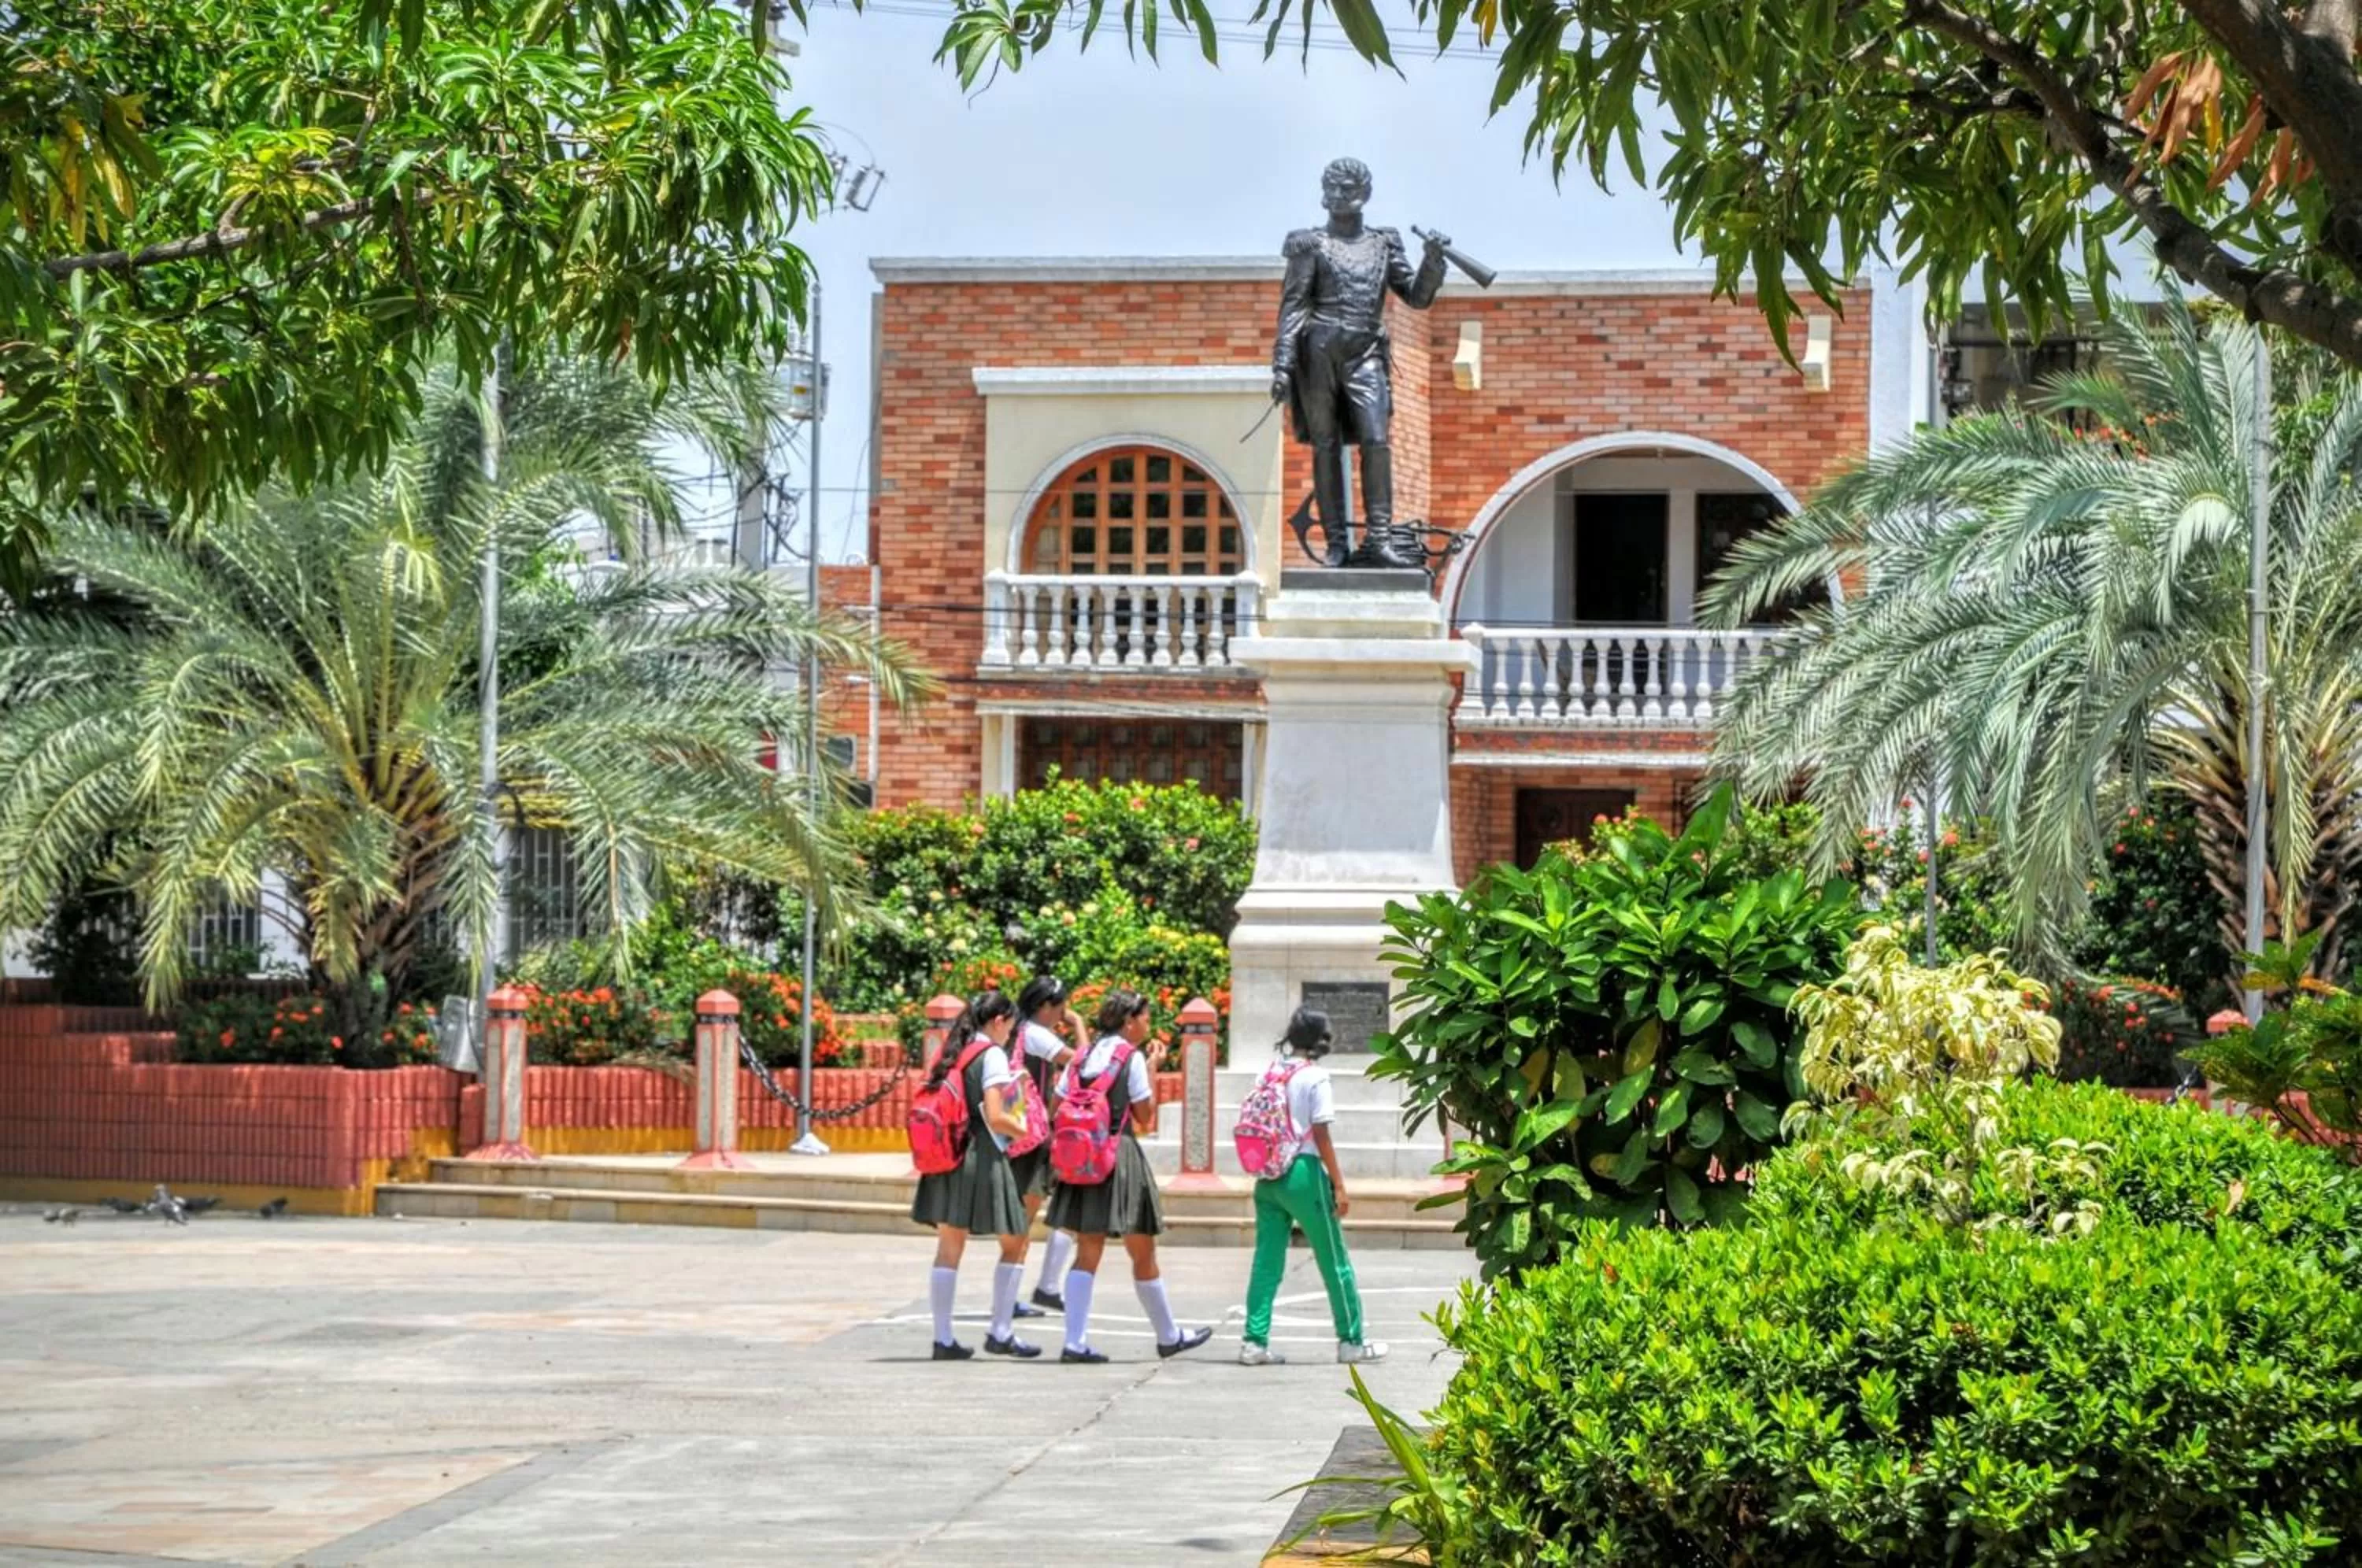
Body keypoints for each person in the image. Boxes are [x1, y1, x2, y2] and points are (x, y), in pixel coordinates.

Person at [1271, 157, 1449, 568]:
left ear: (1364, 194)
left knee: (1375, 440)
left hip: (1365, 350)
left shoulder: (1384, 243)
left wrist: (1434, 261)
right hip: (1318, 351)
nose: (1337, 196)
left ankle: (1380, 540)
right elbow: (1294, 306)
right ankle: (1336, 544)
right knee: (1326, 445)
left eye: (1346, 188)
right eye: (1330, 188)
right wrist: (1282, 364)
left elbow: (1417, 297)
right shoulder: (1308, 244)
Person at [1044, 988, 1214, 1363]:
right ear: (1129, 1020)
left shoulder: (1083, 1055)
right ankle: (1169, 1335)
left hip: (1082, 1158)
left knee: (1087, 1250)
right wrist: (1151, 1067)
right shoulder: (1130, 1057)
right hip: (1118, 1156)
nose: (1148, 1024)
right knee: (1142, 1249)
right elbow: (1143, 1115)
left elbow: (1056, 1105)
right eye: (1145, 1017)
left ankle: (1074, 1342)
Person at [1238, 1008, 1388, 1366]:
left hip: (1268, 1173)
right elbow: (1320, 1132)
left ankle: (1254, 1342)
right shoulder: (1315, 1077)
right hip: (1303, 1172)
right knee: (1334, 1257)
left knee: (1266, 1261)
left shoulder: (1270, 1072)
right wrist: (1339, 1184)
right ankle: (1351, 1340)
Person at [908, 991, 1040, 1360]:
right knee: (1016, 1242)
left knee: (949, 1249)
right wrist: (1022, 1128)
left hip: (946, 1156)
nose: (1010, 1036)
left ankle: (943, 1339)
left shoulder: (954, 1050)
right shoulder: (992, 1055)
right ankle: (1001, 1331)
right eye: (1010, 1028)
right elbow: (997, 1116)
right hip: (981, 1157)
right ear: (998, 1021)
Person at [1013, 975, 1087, 1315]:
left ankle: (1024, 1293)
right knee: (1022, 1218)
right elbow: (1085, 1063)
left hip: (1019, 1132)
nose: (1063, 1013)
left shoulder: (1019, 1031)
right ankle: (1010, 1298)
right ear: (1044, 1006)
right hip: (1033, 1135)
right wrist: (1080, 1026)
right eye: (1059, 1007)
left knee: (1022, 1218)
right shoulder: (1036, 1034)